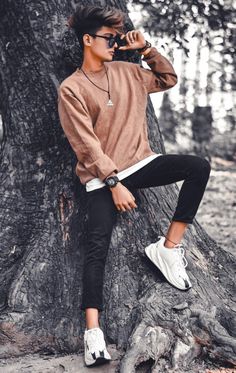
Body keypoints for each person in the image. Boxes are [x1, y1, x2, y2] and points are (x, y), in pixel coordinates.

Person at [58, 5, 211, 367]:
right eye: (109, 37)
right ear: (87, 39)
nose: (114, 43)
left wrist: (145, 49)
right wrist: (113, 182)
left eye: (117, 37)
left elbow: (168, 78)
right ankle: (92, 334)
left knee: (198, 167)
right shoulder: (72, 88)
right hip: (101, 177)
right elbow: (85, 143)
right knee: (97, 247)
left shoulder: (129, 71)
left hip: (140, 162)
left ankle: (168, 248)